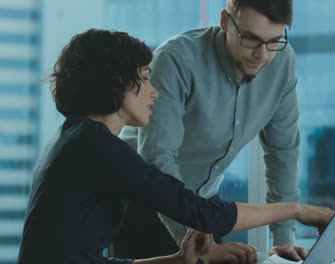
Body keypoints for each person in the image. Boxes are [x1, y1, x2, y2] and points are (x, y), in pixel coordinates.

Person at [17, 29, 334, 264]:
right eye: (145, 78)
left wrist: (178, 260)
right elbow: (203, 213)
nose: (154, 93)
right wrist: (297, 209)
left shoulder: (75, 138)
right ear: (116, 84)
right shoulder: (97, 147)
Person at [115, 0, 308, 262]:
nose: (262, 55)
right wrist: (199, 246)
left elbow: (282, 152)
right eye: (251, 39)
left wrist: (283, 239)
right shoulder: (177, 59)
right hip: (146, 202)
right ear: (226, 22)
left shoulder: (281, 62)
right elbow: (157, 160)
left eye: (274, 40)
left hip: (203, 204)